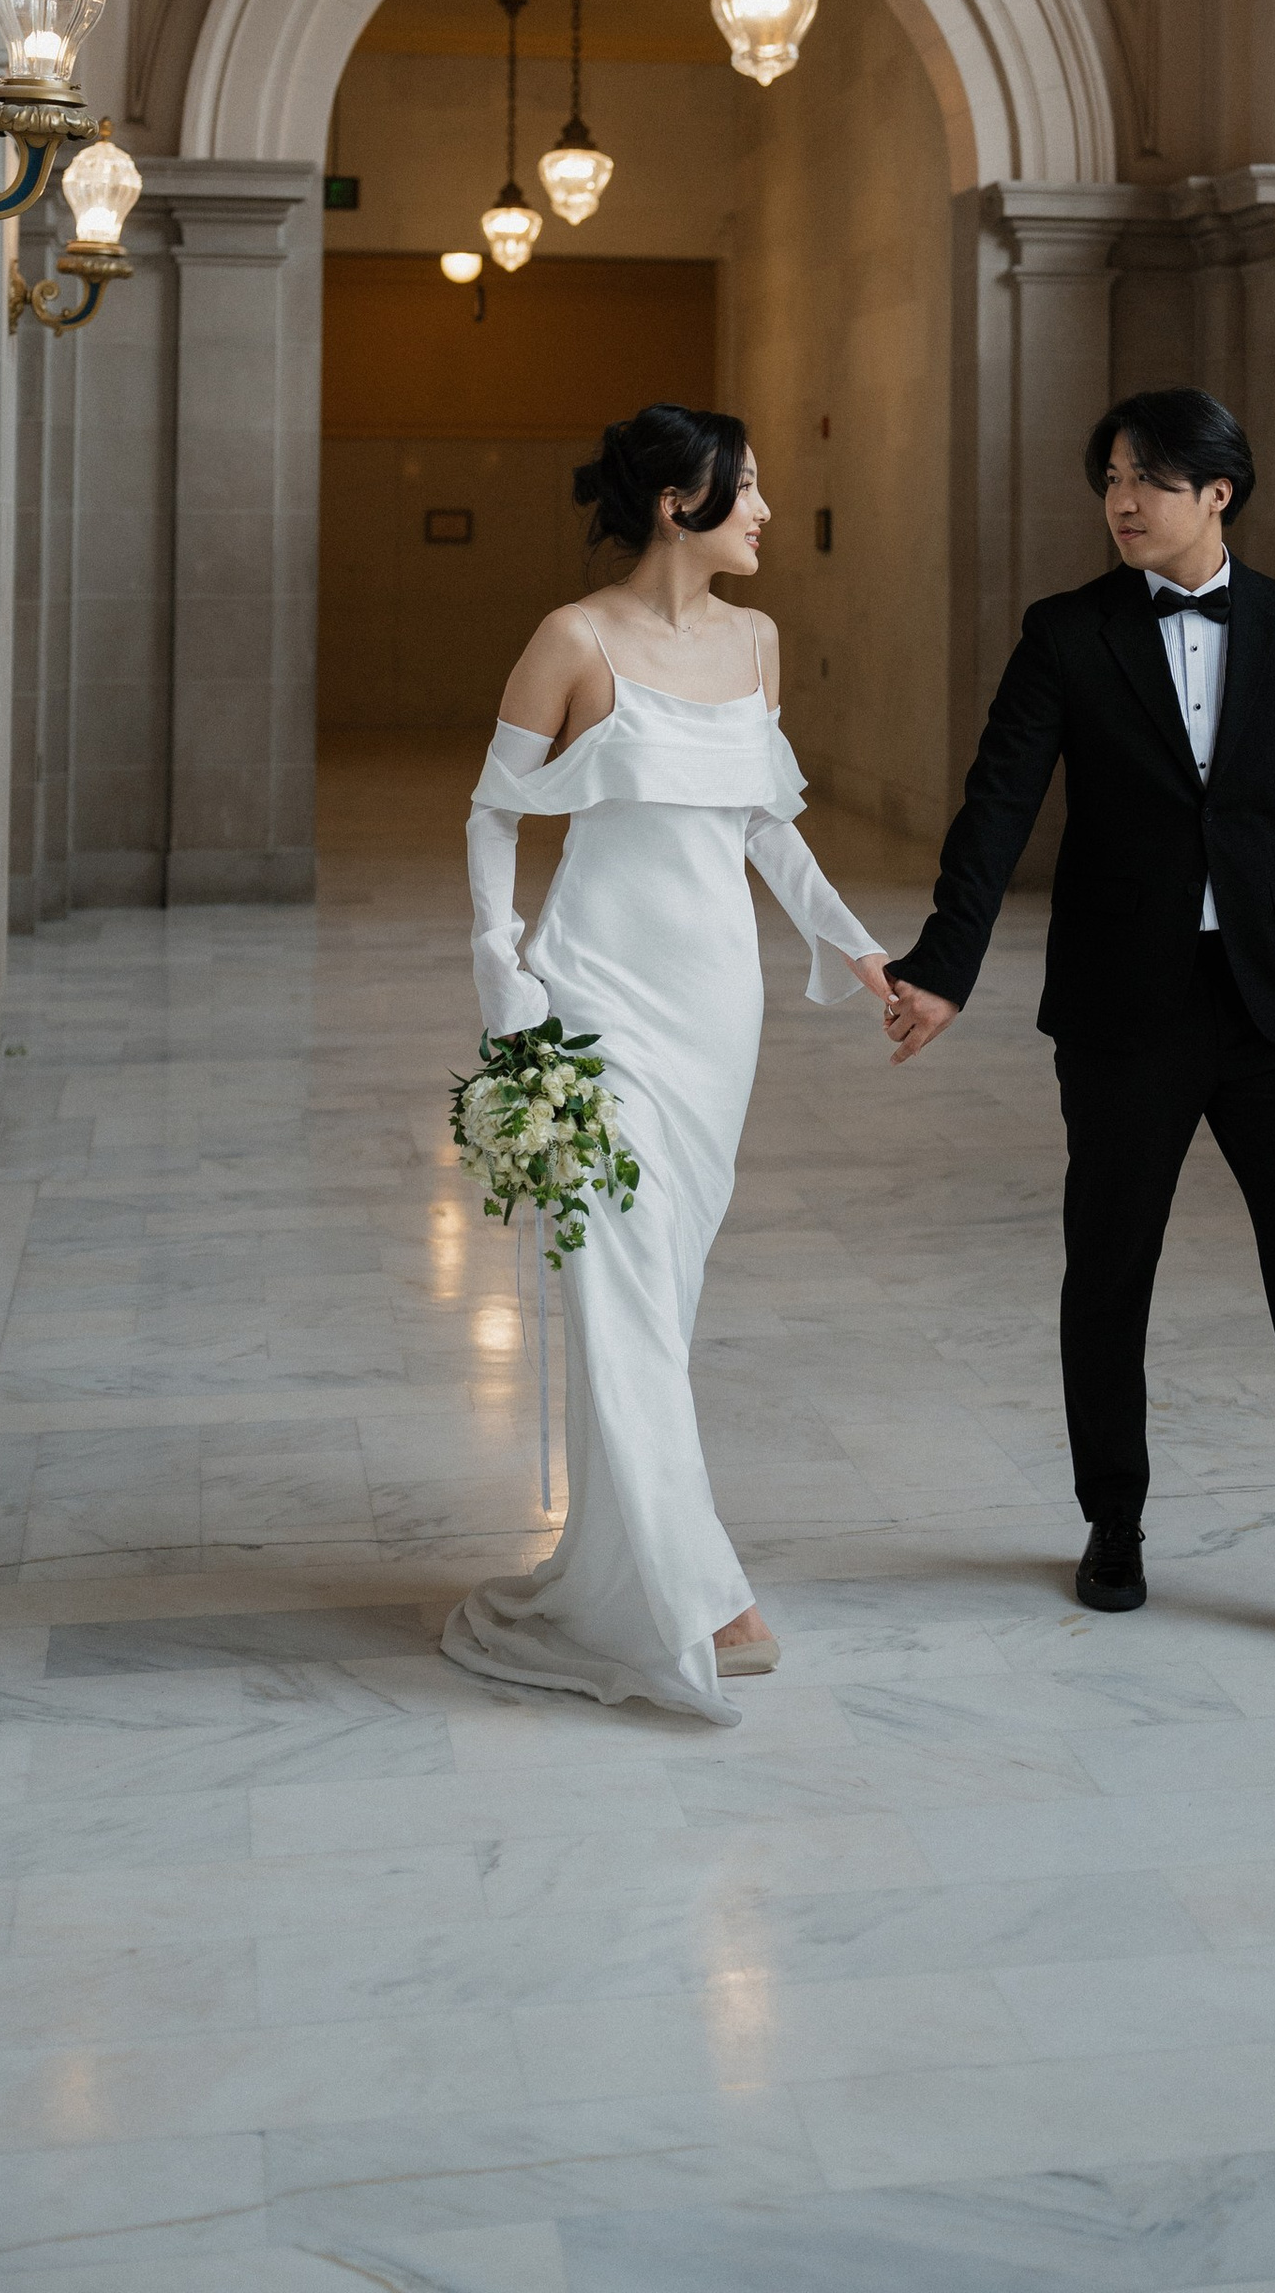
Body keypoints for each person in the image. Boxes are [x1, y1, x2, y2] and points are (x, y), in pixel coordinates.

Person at [883, 387, 1275, 1630]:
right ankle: (1113, 1525)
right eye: (1109, 479)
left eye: (1147, 478)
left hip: (1272, 1006)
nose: (1122, 501)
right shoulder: (1066, 633)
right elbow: (996, 806)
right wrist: (944, 963)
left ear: (1218, 493)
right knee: (1110, 1270)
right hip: (1122, 1009)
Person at [443, 405, 890, 1723]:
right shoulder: (573, 640)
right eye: (745, 489)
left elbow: (763, 823)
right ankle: (702, 1593)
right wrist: (504, 978)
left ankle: (614, 1573)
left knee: (660, 1293)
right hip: (595, 999)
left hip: (715, 1011)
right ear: (673, 503)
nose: (765, 512)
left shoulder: (756, 642)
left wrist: (853, 946)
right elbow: (493, 811)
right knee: (622, 1283)